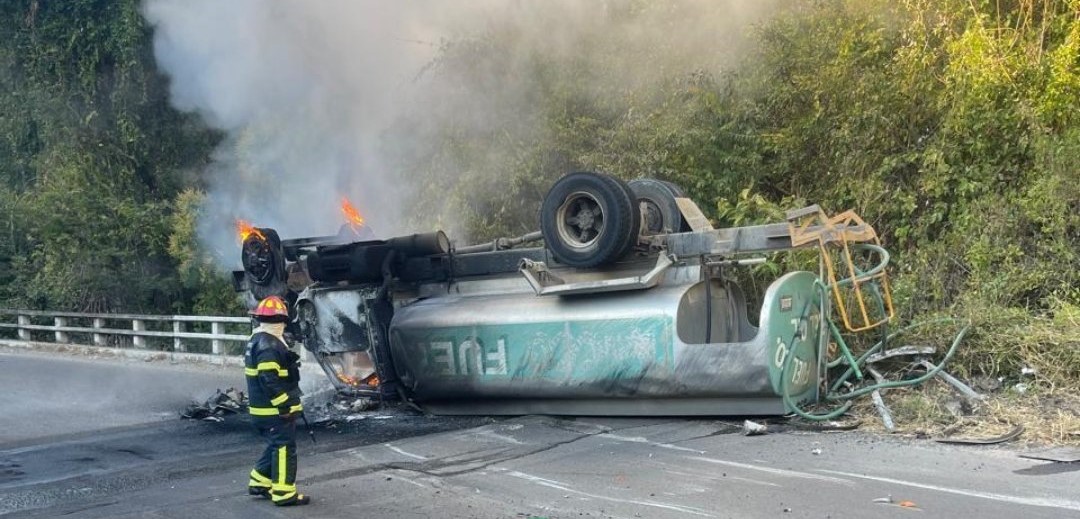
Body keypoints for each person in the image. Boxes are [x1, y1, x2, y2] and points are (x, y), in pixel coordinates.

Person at [244, 295, 310, 506]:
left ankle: (259, 481)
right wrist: (284, 405)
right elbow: (269, 379)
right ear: (282, 319)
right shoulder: (269, 345)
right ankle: (283, 493)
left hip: (262, 410)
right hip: (272, 411)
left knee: (275, 444)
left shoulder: (257, 340)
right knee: (284, 447)